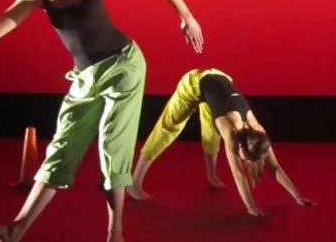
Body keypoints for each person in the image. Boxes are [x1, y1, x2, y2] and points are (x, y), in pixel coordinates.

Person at [0, 0, 204, 242]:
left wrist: (187, 16)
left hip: (124, 66)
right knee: (60, 149)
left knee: (112, 146)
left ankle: (116, 230)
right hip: (86, 78)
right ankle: (14, 232)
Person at [126, 68, 314, 216]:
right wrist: (251, 207)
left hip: (219, 79)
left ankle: (211, 177)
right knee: (167, 129)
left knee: (210, 134)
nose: (246, 162)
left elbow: (274, 167)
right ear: (240, 145)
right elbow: (239, 174)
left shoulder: (258, 132)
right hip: (194, 83)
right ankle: (134, 184)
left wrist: (297, 195)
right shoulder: (231, 130)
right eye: (246, 158)